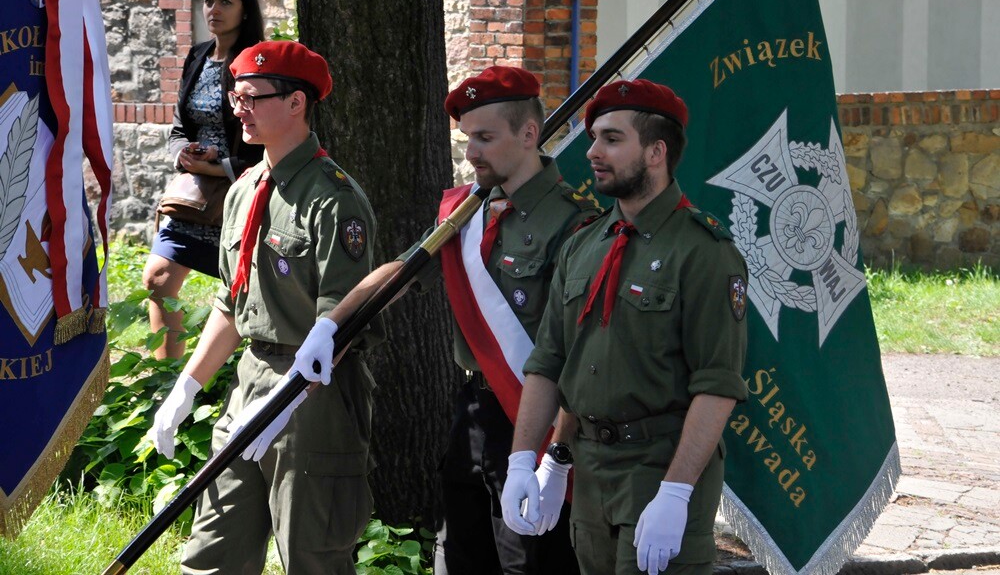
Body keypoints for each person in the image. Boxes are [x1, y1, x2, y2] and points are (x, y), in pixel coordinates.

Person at [293, 66, 598, 574]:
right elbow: (404, 272)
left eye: (485, 137)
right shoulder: (468, 213)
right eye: (467, 139)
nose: (471, 152)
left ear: (528, 134)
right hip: (473, 412)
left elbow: (581, 355)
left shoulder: (575, 223)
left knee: (529, 563)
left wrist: (556, 456)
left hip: (538, 418)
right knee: (458, 559)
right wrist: (332, 325)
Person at [149, 40, 381, 574]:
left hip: (314, 397)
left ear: (296, 102)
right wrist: (187, 388)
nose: (238, 108)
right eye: (235, 95)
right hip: (250, 382)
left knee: (312, 558)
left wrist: (282, 405)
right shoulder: (244, 189)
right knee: (212, 553)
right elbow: (231, 307)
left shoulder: (335, 199)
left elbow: (340, 329)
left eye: (252, 96)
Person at [500, 79, 749, 575]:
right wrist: (538, 459)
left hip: (660, 467)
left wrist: (676, 492)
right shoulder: (584, 244)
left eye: (612, 139)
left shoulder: (704, 252)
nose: (592, 151)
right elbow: (555, 362)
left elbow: (717, 386)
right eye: (595, 137)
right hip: (591, 473)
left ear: (656, 152)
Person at [142, 0, 265, 359]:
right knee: (158, 280)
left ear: (245, 11)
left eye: (225, 2)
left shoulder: (255, 62)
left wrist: (222, 167)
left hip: (243, 189)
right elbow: (180, 127)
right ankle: (163, 384)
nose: (213, 10)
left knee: (241, 294)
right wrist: (184, 153)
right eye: (208, 2)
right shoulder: (197, 56)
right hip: (194, 193)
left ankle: (228, 378)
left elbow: (267, 133)